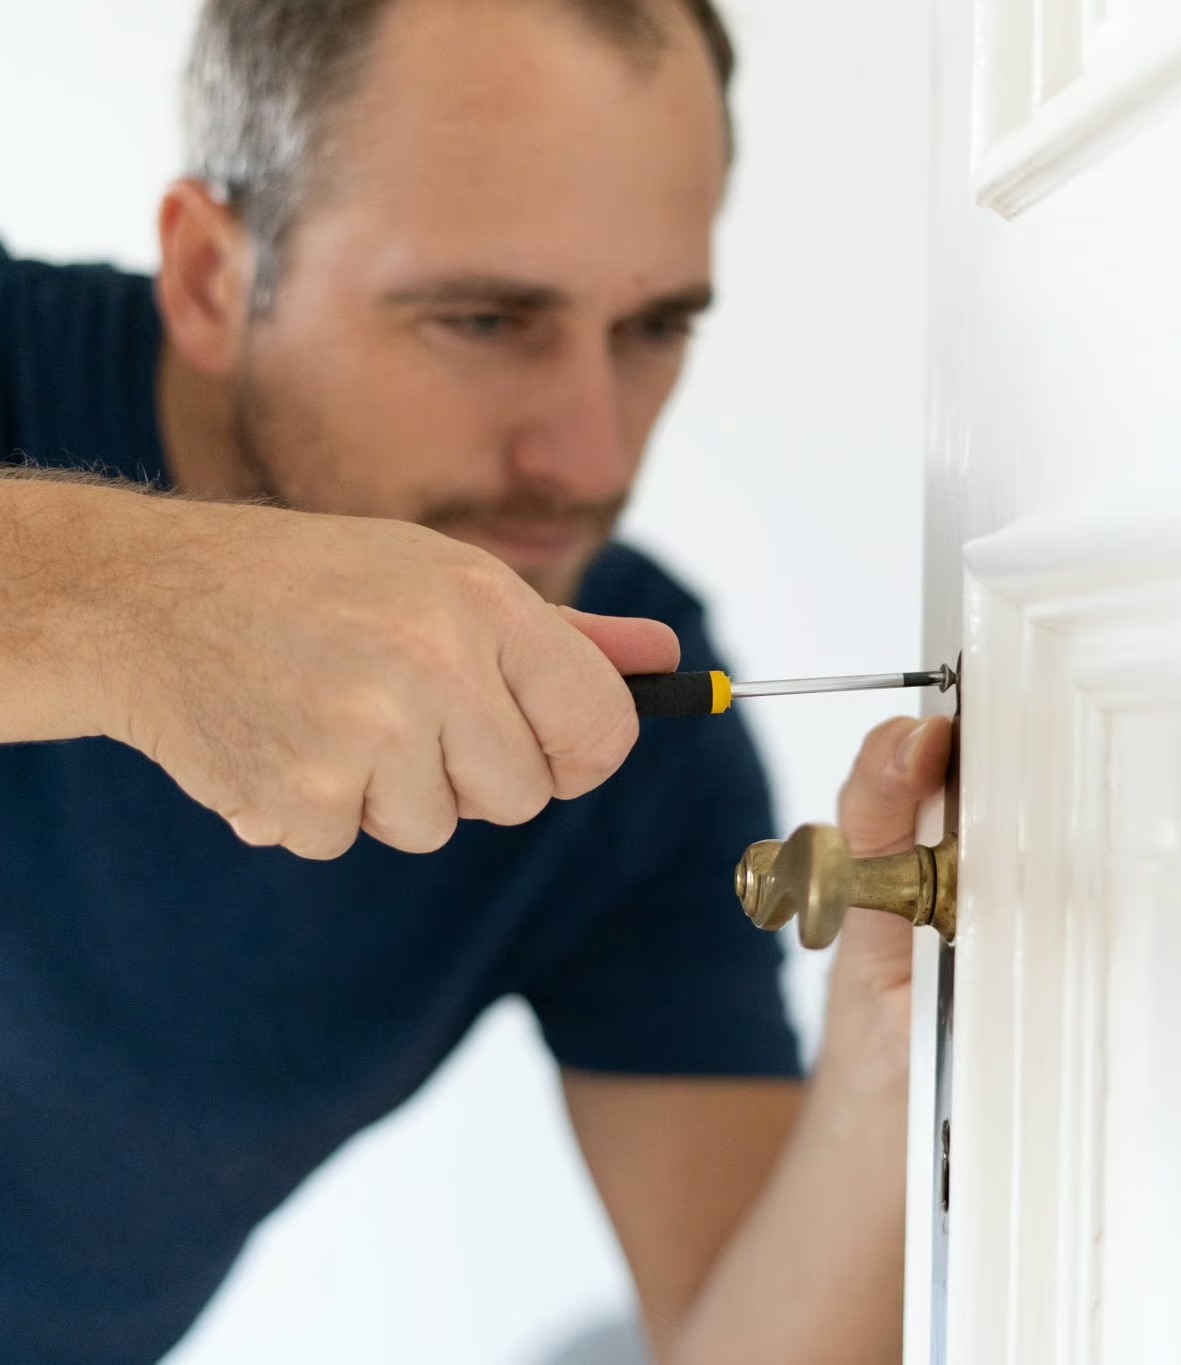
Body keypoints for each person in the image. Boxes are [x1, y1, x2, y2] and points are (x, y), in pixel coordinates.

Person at [0, 0, 952, 1360]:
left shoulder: (629, 720)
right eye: (488, 318)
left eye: (654, 327)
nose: (588, 452)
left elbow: (732, 1338)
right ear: (213, 277)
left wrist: (883, 1046)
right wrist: (141, 609)